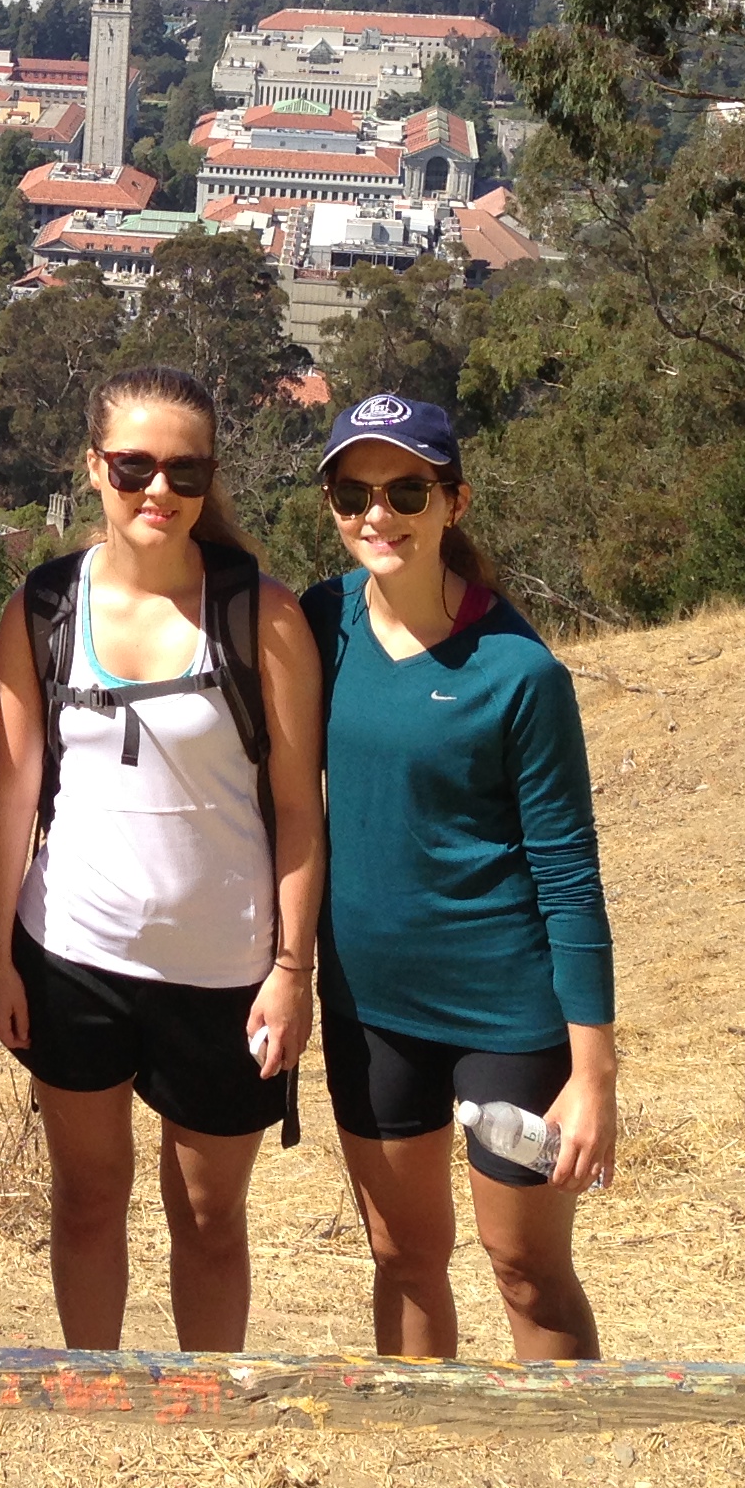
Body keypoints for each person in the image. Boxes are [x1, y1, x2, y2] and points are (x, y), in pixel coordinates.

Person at [0, 364, 326, 1352]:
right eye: (133, 468)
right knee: (87, 1199)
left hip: (225, 973)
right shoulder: (43, 610)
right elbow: (9, 796)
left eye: (184, 471)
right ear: (94, 468)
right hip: (72, 957)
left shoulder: (265, 617)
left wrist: (291, 972)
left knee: (210, 1220)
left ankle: (201, 1410)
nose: (158, 492)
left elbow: (301, 812)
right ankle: (95, 1394)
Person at [307, 390, 616, 1361]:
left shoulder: (518, 674)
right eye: (353, 494)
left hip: (507, 1019)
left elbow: (569, 873)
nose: (378, 516)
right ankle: (426, 1460)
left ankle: (568, 1477)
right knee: (403, 1255)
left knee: (523, 1266)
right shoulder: (318, 624)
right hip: (367, 1010)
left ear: (455, 501)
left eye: (406, 491)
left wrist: (595, 1073)